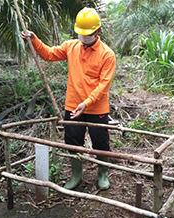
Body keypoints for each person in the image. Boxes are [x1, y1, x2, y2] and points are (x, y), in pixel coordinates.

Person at [21, 7, 116, 190]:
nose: (83, 37)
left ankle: (103, 174)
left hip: (96, 108)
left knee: (100, 143)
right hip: (73, 105)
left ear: (98, 31)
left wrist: (86, 103)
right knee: (73, 141)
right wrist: (34, 40)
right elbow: (48, 54)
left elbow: (104, 85)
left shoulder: (107, 54)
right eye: (81, 33)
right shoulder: (71, 47)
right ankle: (76, 174)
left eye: (88, 34)